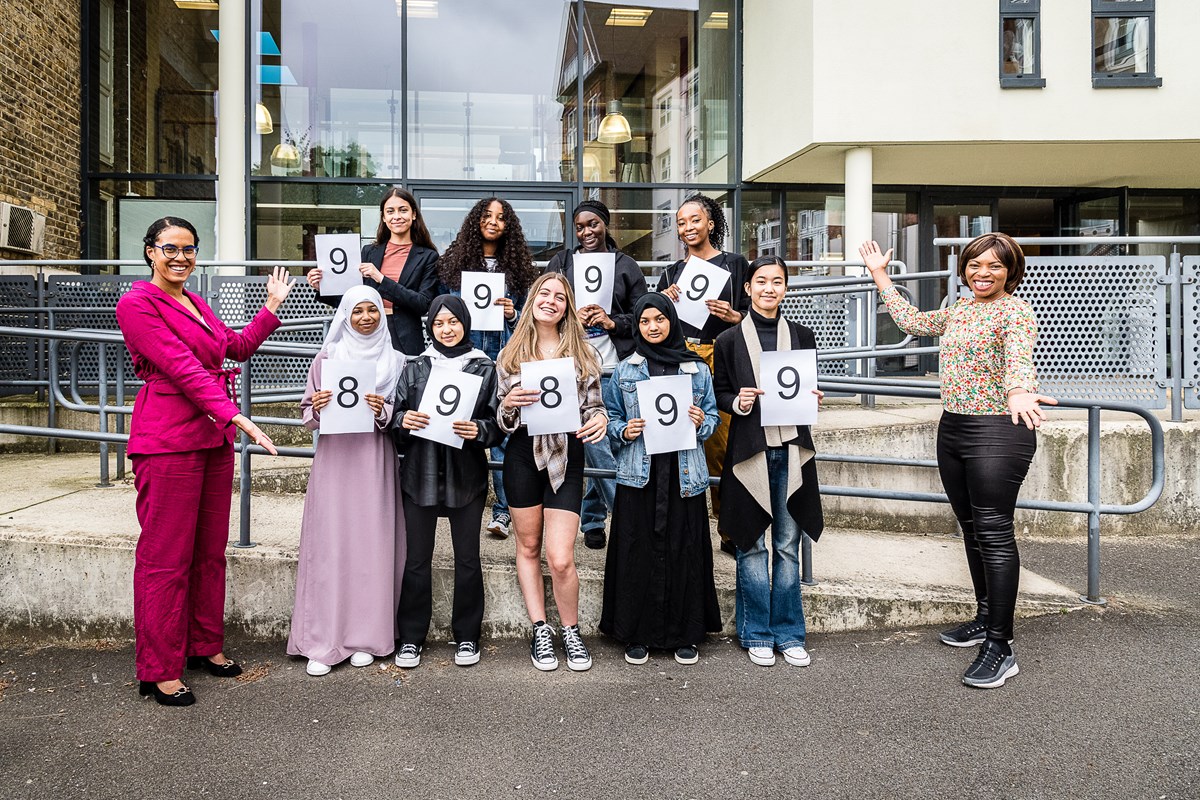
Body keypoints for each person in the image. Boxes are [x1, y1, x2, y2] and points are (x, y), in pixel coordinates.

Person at [859, 234, 1056, 689]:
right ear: (964, 268)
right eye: (974, 265)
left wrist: (1019, 390)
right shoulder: (962, 309)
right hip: (954, 428)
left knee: (993, 531)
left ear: (1011, 271)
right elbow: (910, 319)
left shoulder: (1016, 312)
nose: (982, 273)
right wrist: (879, 274)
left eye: (994, 266)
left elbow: (1018, 359)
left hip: (997, 430)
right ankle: (985, 617)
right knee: (970, 528)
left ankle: (1001, 646)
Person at [116, 217, 294, 706]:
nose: (180, 257)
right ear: (150, 251)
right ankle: (159, 669)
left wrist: (271, 308)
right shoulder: (137, 304)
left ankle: (202, 645)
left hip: (210, 437)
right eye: (169, 248)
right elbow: (183, 368)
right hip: (169, 439)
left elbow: (232, 348)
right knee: (165, 560)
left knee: (208, 553)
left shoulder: (194, 302)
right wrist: (238, 417)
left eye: (189, 248)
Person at [287, 285, 406, 677]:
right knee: (332, 543)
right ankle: (324, 637)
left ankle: (365, 636)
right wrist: (317, 407)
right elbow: (306, 415)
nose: (366, 318)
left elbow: (402, 418)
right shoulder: (327, 357)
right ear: (346, 317)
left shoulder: (397, 361)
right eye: (357, 312)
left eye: (373, 310)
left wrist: (383, 410)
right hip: (336, 460)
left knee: (370, 544)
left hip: (374, 458)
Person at [713, 255, 824, 669]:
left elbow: (805, 386)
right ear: (747, 288)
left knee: (786, 546)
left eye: (777, 282)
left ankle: (789, 632)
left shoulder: (801, 335)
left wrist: (813, 399)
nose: (769, 289)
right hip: (749, 449)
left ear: (786, 288)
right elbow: (720, 392)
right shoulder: (728, 341)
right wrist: (736, 402)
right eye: (761, 282)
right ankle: (756, 631)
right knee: (752, 543)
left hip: (792, 448)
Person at [600, 293, 722, 665]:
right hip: (640, 474)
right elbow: (610, 418)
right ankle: (636, 634)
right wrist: (625, 430)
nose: (653, 327)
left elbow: (713, 416)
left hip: (684, 473)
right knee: (637, 553)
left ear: (672, 320)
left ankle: (685, 634)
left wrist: (702, 423)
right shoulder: (625, 370)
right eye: (644, 321)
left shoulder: (696, 369)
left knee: (684, 552)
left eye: (660, 319)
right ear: (636, 326)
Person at [495, 273, 608, 672]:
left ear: (567, 307)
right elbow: (503, 421)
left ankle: (571, 630)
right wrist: (508, 402)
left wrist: (600, 420)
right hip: (524, 454)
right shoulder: (510, 354)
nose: (551, 300)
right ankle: (540, 628)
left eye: (560, 296)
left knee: (560, 558)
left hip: (567, 455)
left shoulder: (584, 354)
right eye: (544, 293)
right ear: (532, 300)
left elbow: (594, 408)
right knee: (527, 548)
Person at [391, 294, 503, 669]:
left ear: (465, 323)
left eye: (453, 321)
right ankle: (411, 637)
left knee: (468, 559)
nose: (447, 329)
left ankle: (468, 636)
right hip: (419, 474)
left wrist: (480, 430)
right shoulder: (417, 365)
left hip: (465, 474)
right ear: (430, 327)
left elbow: (497, 424)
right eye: (439, 323)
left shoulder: (484, 366)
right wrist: (402, 421)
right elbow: (397, 418)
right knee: (416, 560)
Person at [545, 199, 648, 549]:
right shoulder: (562, 263)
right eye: (579, 226)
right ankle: (627, 517)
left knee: (603, 442)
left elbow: (643, 317)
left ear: (605, 224)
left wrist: (611, 321)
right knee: (595, 442)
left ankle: (593, 520)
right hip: (573, 370)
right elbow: (545, 306)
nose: (586, 231)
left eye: (593, 224)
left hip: (613, 368)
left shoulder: (626, 266)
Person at [438, 197, 541, 540]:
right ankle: (448, 502)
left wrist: (512, 314)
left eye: (501, 218)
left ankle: (502, 514)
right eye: (487, 216)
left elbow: (531, 324)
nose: (494, 222)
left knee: (502, 439)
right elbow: (439, 313)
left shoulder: (520, 272)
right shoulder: (454, 264)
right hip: (463, 361)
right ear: (475, 221)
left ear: (508, 225)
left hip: (502, 362)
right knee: (454, 429)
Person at [656, 194, 750, 556]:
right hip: (679, 358)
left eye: (694, 220)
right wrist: (662, 301)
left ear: (710, 223)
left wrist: (735, 317)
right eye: (681, 222)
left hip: (721, 354)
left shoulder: (735, 265)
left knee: (722, 445)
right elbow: (654, 321)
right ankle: (684, 531)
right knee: (678, 440)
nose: (687, 228)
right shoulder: (671, 273)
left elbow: (755, 314)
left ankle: (729, 529)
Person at [306, 187, 439, 355]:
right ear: (384, 217)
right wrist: (323, 287)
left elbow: (423, 304)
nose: (396, 216)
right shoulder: (368, 252)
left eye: (403, 210)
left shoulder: (428, 256)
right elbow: (349, 301)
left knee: (404, 381)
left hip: (405, 337)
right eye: (390, 211)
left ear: (413, 214)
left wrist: (381, 279)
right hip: (365, 333)